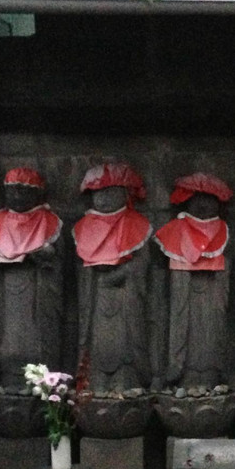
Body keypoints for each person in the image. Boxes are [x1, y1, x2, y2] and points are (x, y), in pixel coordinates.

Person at [0, 167, 63, 391]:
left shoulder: (49, 221)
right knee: (9, 343)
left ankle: (42, 385)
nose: (16, 197)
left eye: (22, 191)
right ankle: (8, 380)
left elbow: (59, 266)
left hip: (36, 292)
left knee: (37, 342)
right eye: (11, 191)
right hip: (8, 296)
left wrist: (46, 259)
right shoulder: (2, 219)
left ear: (37, 194)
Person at [72, 163, 153, 392]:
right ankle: (94, 382)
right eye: (98, 193)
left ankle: (127, 381)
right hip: (96, 300)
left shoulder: (137, 224)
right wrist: (93, 275)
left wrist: (124, 273)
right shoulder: (82, 227)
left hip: (126, 300)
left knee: (126, 345)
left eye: (110, 192)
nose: (104, 198)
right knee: (96, 344)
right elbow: (81, 267)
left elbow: (142, 265)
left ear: (125, 193)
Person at [155, 172, 233, 388]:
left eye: (209, 199)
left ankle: (213, 374)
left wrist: (218, 275)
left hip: (211, 303)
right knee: (182, 327)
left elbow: (227, 268)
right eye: (198, 199)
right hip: (184, 303)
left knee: (211, 331)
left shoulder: (223, 231)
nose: (203, 205)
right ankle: (178, 370)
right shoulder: (175, 229)